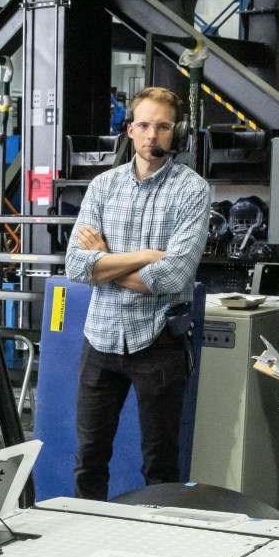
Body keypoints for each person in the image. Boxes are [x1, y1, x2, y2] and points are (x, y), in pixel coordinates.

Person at [62, 85, 213, 500]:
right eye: (144, 125)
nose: (152, 136)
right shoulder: (104, 186)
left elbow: (172, 277)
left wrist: (105, 262)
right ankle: (85, 541)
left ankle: (156, 553)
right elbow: (75, 266)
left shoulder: (192, 190)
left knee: (160, 464)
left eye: (162, 127)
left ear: (174, 133)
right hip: (102, 338)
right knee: (88, 458)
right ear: (130, 130)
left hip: (159, 340)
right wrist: (144, 255)